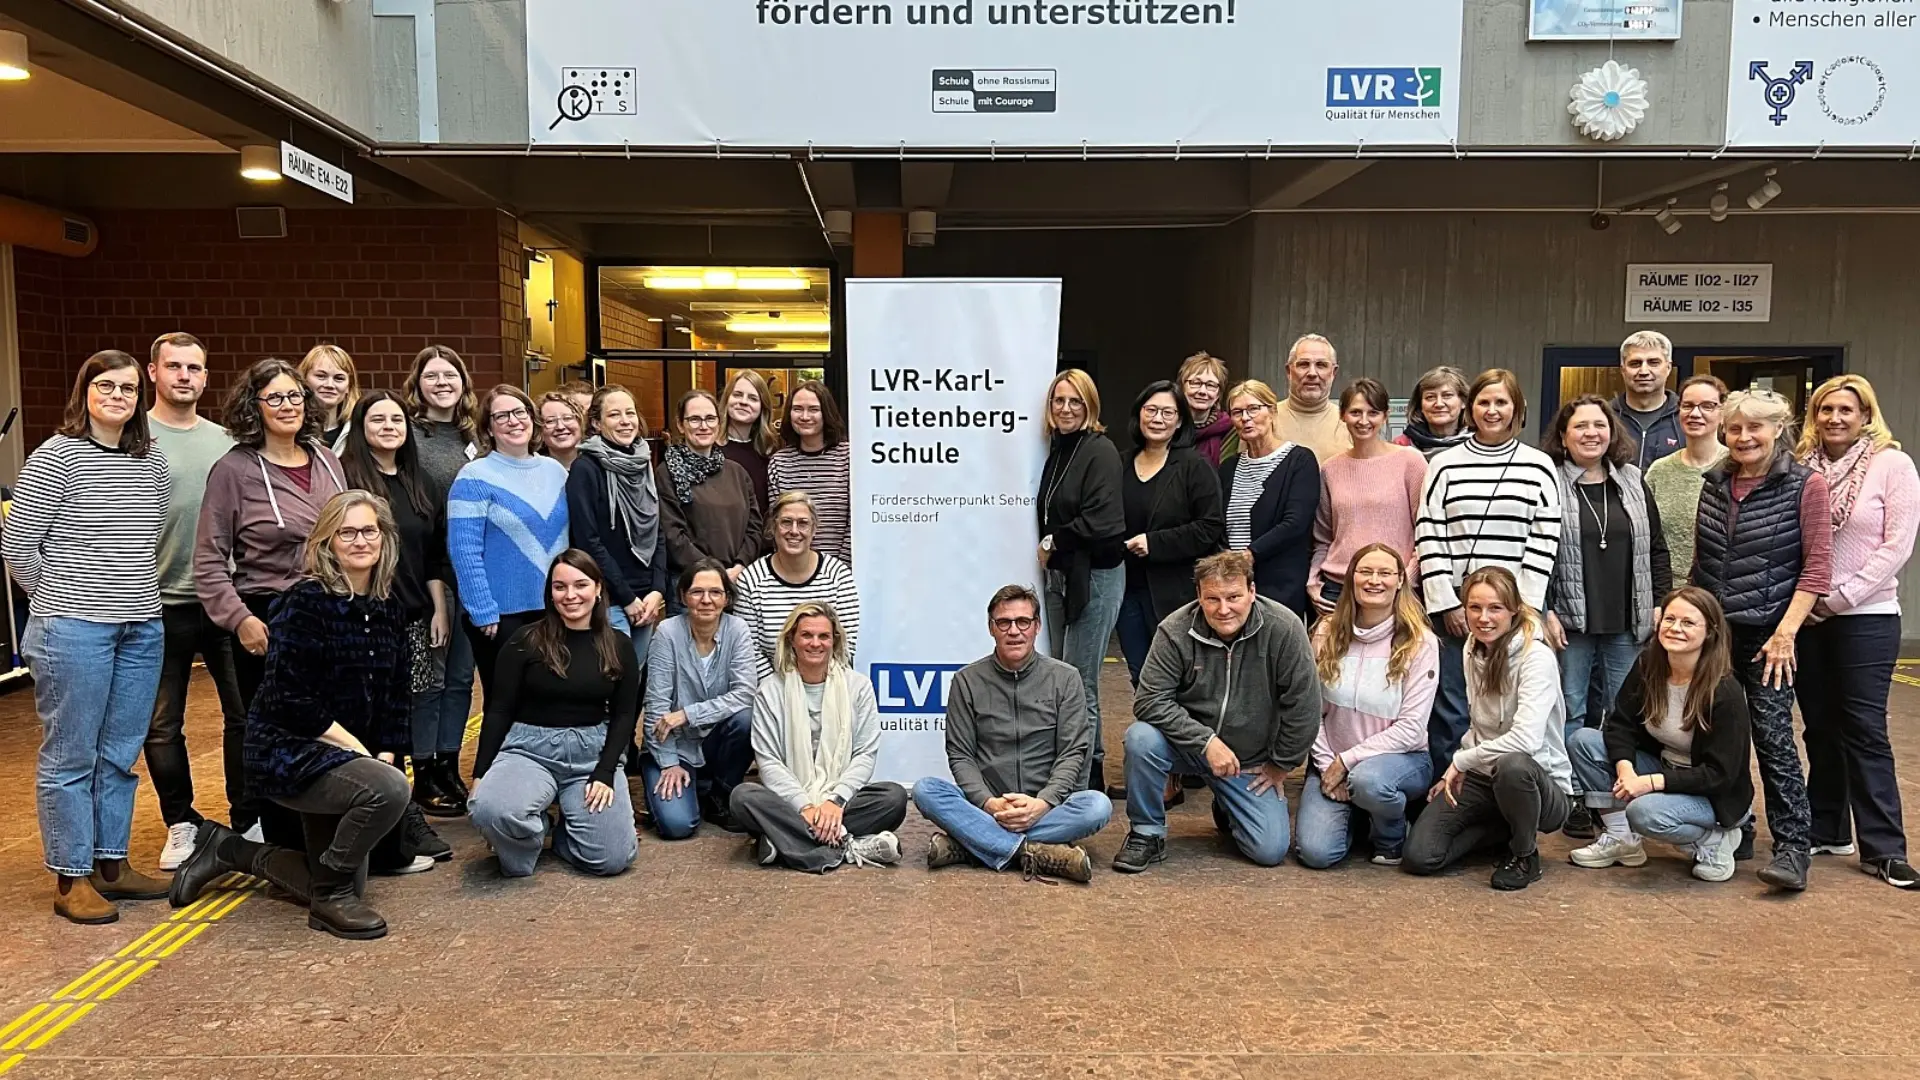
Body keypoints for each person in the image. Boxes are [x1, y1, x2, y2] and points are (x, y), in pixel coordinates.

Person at [167, 492, 417, 939]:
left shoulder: (389, 608)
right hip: (289, 750)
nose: (360, 541)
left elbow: (397, 695)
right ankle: (330, 900)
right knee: (388, 791)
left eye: (369, 531)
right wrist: (361, 752)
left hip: (342, 756)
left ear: (384, 539)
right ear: (328, 542)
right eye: (347, 532)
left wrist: (386, 749)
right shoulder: (305, 603)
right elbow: (289, 699)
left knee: (344, 874)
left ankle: (228, 850)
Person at [4, 350, 173, 924]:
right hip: (72, 627)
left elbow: (146, 541)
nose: (118, 396)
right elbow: (18, 548)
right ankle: (70, 877)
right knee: (71, 755)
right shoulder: (57, 456)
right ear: (85, 392)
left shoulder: (150, 462)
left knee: (119, 754)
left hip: (141, 625)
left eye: (128, 388)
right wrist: (61, 601)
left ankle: (110, 864)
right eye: (106, 385)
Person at [195, 358, 349, 834]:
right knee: (279, 733)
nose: (288, 406)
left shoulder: (325, 458)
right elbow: (208, 559)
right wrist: (239, 620)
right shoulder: (233, 470)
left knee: (330, 726)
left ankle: (329, 832)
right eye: (275, 398)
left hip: (329, 611)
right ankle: (278, 838)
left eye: (295, 396)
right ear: (253, 406)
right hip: (269, 616)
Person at [1692, 388, 1829, 892]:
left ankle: (1793, 847)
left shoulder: (1805, 486)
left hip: (1772, 634)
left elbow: (1817, 568)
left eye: (1756, 427)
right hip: (1717, 634)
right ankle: (1738, 826)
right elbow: (1702, 562)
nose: (1744, 437)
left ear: (1779, 430)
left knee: (1772, 738)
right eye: (1735, 428)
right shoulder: (1715, 483)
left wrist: (1785, 635)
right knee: (1717, 735)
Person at [1112, 551, 1320, 873]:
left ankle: (1227, 806)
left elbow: (1305, 706)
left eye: (1233, 596)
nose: (1223, 609)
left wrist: (1280, 765)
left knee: (1270, 850)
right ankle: (1146, 832)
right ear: (1199, 596)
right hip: (1188, 748)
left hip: (1248, 761)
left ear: (1252, 592)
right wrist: (1206, 742)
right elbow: (1149, 699)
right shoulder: (1175, 629)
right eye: (1212, 599)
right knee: (1140, 738)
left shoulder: (1284, 628)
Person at [1793, 375, 1918, 888]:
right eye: (1826, 409)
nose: (1836, 418)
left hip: (1867, 617)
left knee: (1864, 730)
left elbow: (1897, 545)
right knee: (1818, 726)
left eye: (1847, 409)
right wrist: (1807, 605)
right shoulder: (1803, 467)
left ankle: (1884, 848)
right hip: (1808, 617)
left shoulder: (1893, 465)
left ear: (1867, 415)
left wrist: (1840, 597)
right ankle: (1826, 827)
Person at [1414, 368, 1561, 779]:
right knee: (1452, 705)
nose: (1492, 410)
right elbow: (1430, 533)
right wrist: (1446, 601)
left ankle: (1508, 794)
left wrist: (1523, 609)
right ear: (1469, 408)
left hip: (1515, 609)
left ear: (1517, 409)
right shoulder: (1444, 465)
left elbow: (1544, 539)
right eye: (1484, 402)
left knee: (1513, 704)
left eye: (1502, 402)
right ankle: (1449, 792)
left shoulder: (1539, 467)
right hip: (1457, 605)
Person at [1539, 394, 1672, 841]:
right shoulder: (1550, 482)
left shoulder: (1633, 479)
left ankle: (1617, 797)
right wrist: (1545, 610)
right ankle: (1575, 797)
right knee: (1571, 710)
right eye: (1580, 427)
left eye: (1599, 425)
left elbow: (1656, 547)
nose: (1591, 434)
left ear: (1612, 432)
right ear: (1563, 436)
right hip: (1571, 620)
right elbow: (1536, 554)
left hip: (1626, 619)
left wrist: (1658, 601)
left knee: (1622, 713)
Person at [913, 585, 1111, 882]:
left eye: (1023, 622)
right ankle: (1034, 852)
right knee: (926, 790)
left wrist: (1042, 803)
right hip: (990, 806)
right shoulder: (966, 681)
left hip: (1047, 807)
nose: (1014, 631)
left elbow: (1073, 753)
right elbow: (960, 754)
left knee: (1097, 806)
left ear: (1037, 626)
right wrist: (988, 804)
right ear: (991, 628)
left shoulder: (1066, 679)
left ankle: (971, 845)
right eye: (1004, 623)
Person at [466, 550, 641, 878]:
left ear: (599, 588)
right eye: (560, 587)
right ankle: (533, 834)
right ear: (550, 593)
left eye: (580, 585)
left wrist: (605, 772)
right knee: (489, 808)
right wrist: (480, 775)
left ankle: (565, 837)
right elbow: (499, 709)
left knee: (613, 858)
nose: (570, 595)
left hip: (592, 754)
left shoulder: (619, 645)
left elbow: (624, 715)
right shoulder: (525, 641)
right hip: (530, 750)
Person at [141, 332, 246, 872]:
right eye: (174, 366)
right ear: (153, 372)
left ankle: (246, 815)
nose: (185, 376)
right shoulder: (134, 437)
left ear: (206, 377)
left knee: (244, 713)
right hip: (155, 603)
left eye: (195, 368)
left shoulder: (225, 440)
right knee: (162, 722)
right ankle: (181, 823)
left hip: (224, 597)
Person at [337, 391, 459, 850]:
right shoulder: (349, 478)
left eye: (396, 419)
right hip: (365, 615)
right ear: (360, 426)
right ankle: (381, 812)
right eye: (378, 419)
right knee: (371, 712)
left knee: (405, 710)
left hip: (413, 613)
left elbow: (432, 556)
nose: (389, 426)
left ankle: (402, 811)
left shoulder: (418, 480)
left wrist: (440, 608)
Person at [1566, 587, 1754, 882]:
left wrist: (1650, 783)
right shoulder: (1648, 666)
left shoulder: (1724, 692)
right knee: (1584, 742)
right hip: (1665, 766)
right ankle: (1622, 841)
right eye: (1669, 619)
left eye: (1688, 623)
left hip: (1713, 794)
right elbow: (1621, 725)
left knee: (1644, 813)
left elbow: (1721, 774)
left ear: (1710, 632)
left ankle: (1715, 839)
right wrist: (1625, 768)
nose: (1675, 628)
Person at [1402, 567, 1572, 891]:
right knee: (1420, 857)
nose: (1484, 618)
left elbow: (1527, 739)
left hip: (1540, 781)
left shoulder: (1536, 657)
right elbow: (1477, 721)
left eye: (1495, 608)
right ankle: (1507, 828)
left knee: (1513, 765)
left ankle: (1525, 854)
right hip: (1483, 773)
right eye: (1474, 608)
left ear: (1514, 610)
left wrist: (1460, 761)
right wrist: (1464, 761)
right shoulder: (1472, 646)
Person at [729, 603, 907, 871]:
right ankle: (846, 846)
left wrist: (834, 802)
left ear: (834, 641)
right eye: (807, 635)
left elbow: (865, 754)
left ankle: (784, 842)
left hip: (840, 804)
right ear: (792, 639)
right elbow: (769, 763)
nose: (815, 643)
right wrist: (805, 808)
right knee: (742, 797)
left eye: (823, 636)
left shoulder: (858, 687)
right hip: (790, 802)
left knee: (893, 798)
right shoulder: (770, 691)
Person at [1296, 545, 1439, 869]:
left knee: (1368, 782)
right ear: (1352, 579)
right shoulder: (1326, 631)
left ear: (1401, 580)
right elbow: (1309, 712)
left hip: (1399, 763)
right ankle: (1362, 814)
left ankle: (1390, 837)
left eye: (1385, 573)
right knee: (1316, 854)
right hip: (1331, 759)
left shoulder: (1420, 642)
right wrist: (1326, 764)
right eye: (1366, 572)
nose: (1375, 581)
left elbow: (1411, 728)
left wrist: (1348, 761)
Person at [449, 385, 572, 705]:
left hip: (556, 609)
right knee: (508, 706)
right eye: (501, 415)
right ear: (488, 427)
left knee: (556, 700)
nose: (513, 421)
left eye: (520, 412)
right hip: (502, 618)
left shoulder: (555, 471)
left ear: (532, 419)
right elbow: (464, 550)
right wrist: (482, 609)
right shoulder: (474, 476)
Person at [1035, 369, 1126, 791]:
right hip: (1060, 580)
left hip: (1096, 577)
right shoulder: (1058, 450)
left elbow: (1105, 521)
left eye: (1076, 401)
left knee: (1080, 680)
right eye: (1059, 401)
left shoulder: (1100, 450)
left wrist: (1054, 541)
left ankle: (1085, 778)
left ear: (1090, 406)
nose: (1067, 408)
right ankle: (1084, 768)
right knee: (1065, 676)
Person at [402, 345, 481, 817]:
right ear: (418, 383)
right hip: (430, 573)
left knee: (459, 679)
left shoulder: (476, 436)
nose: (442, 383)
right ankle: (424, 768)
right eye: (432, 375)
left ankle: (450, 763)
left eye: (450, 374)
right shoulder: (410, 436)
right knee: (428, 678)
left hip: (471, 570)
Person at [1112, 381, 1224, 684]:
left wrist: (1154, 542)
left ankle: (1183, 733)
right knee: (1141, 675)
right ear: (1139, 415)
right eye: (1151, 410)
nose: (1158, 418)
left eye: (1167, 412)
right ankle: (1151, 732)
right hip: (1125, 590)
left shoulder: (1194, 466)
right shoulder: (1119, 463)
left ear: (1179, 421)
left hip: (1175, 592)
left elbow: (1210, 527)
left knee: (1181, 677)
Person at [642, 560, 757, 837]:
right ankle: (664, 774)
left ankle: (720, 793)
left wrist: (687, 714)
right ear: (683, 596)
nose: (706, 600)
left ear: (726, 598)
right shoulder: (667, 633)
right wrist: (668, 762)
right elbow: (655, 708)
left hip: (716, 742)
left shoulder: (737, 629)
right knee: (677, 826)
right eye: (697, 592)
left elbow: (745, 694)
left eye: (715, 592)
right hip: (675, 746)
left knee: (749, 719)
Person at [567, 385, 669, 670]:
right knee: (612, 683)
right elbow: (587, 540)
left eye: (630, 413)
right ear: (597, 424)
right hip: (611, 599)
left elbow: (656, 528)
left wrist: (657, 591)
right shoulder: (585, 469)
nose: (625, 421)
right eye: (614, 415)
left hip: (646, 598)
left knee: (633, 686)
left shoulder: (643, 461)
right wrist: (626, 598)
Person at [1310, 378, 1426, 615]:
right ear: (1342, 415)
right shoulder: (1330, 469)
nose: (1363, 421)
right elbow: (1323, 537)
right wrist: (1313, 579)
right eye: (1355, 412)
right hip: (1338, 588)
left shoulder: (1410, 462)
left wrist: (1407, 577)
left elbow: (1425, 532)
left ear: (1385, 416)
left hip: (1393, 587)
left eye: (1372, 413)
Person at [1218, 378, 1320, 616]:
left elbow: (1295, 522)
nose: (1245, 418)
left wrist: (1250, 554)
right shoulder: (1228, 467)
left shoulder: (1299, 460)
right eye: (1237, 412)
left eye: (1254, 408)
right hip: (1232, 584)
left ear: (1272, 411)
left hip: (1279, 584)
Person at [734, 492, 861, 675]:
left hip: (828, 685)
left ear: (814, 530)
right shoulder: (751, 580)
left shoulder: (838, 576)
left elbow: (845, 647)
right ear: (773, 527)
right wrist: (780, 691)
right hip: (772, 691)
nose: (794, 531)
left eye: (803, 523)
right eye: (786, 522)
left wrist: (814, 688)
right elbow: (749, 650)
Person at [657, 389, 763, 589]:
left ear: (719, 422)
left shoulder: (737, 473)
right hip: (691, 583)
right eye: (694, 419)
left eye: (710, 418)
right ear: (680, 424)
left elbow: (755, 526)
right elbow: (672, 535)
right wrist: (713, 574)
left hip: (737, 580)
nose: (704, 426)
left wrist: (740, 565)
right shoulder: (667, 473)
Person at [1645, 375, 1728, 585]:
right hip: (1666, 596)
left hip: (1719, 596)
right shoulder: (1659, 470)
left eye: (1708, 406)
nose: (1695, 413)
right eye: (1688, 405)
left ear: (1723, 413)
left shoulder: (1736, 467)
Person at [766, 380, 852, 564]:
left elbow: (856, 522)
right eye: (797, 409)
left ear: (826, 413)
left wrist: (837, 570)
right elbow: (777, 525)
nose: (805, 416)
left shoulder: (849, 458)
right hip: (794, 571)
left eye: (813, 409)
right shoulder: (779, 462)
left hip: (843, 571)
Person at [1271, 334, 1353, 463]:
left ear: (1333, 372)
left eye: (1321, 365)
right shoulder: (1266, 419)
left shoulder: (1350, 423)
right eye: (1303, 364)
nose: (1312, 373)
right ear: (1289, 371)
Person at [1613, 331, 1683, 471]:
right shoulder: (1605, 417)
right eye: (1635, 363)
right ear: (1623, 370)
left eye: (1653, 363)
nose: (1644, 371)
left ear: (1668, 367)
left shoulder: (1687, 418)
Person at [722, 369, 778, 509]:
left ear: (762, 407)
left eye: (753, 398)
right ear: (727, 399)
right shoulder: (709, 448)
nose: (743, 402)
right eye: (737, 395)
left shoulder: (770, 451)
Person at [1394, 366, 1473, 459]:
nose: (1439, 404)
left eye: (1447, 395)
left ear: (1463, 402)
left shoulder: (1481, 444)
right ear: (1420, 405)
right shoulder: (1400, 447)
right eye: (1430, 397)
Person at [1177, 351, 1237, 466]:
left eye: (1210, 385)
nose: (1202, 391)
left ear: (1218, 394)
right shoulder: (1168, 426)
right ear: (1182, 387)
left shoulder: (1231, 430)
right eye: (1195, 383)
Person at [299, 344, 361, 452]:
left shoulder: (360, 430)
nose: (329, 385)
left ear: (349, 387)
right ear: (304, 380)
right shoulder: (293, 429)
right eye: (321, 376)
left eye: (339, 378)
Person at [537, 391, 586, 470]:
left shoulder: (598, 465)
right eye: (550, 421)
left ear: (580, 423)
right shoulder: (532, 471)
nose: (560, 427)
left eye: (567, 418)